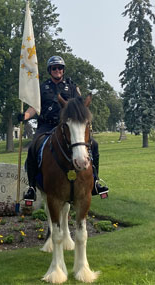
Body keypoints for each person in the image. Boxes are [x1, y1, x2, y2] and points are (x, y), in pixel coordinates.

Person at [18, 56, 109, 201]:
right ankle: (31, 188)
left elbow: (80, 106)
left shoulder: (72, 87)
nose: (57, 70)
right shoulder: (42, 88)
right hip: (47, 125)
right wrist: (25, 116)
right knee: (32, 148)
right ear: (50, 70)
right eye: (54, 68)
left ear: (63, 70)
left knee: (94, 145)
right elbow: (34, 107)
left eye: (60, 68)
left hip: (68, 126)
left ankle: (96, 181)